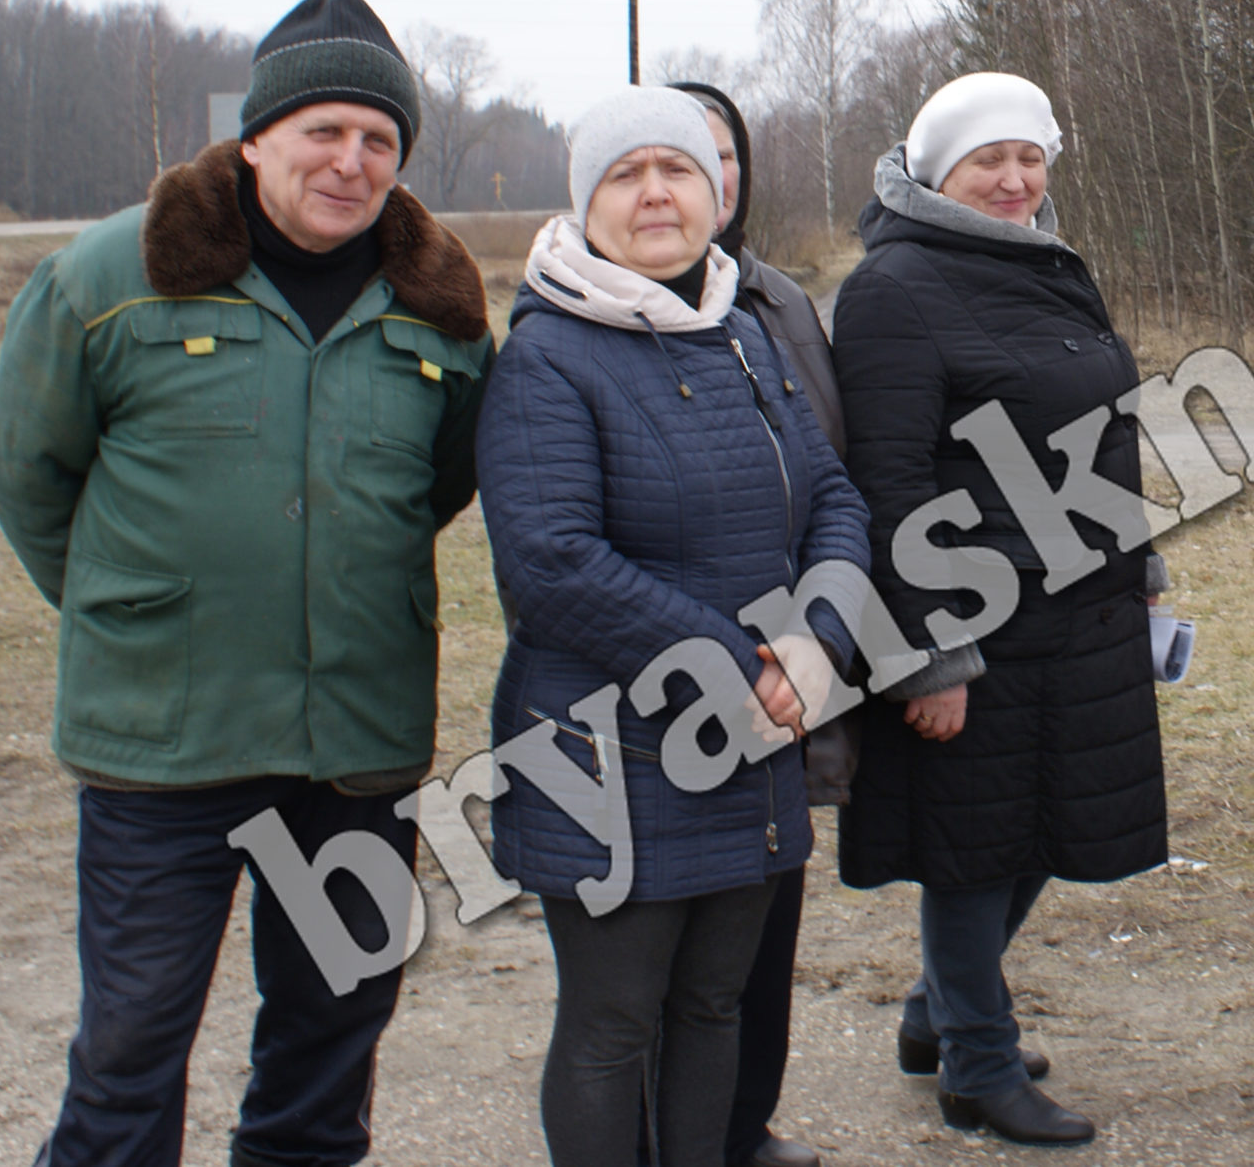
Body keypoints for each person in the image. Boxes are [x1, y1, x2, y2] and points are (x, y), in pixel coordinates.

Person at [0, 0, 491, 1167]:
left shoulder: (443, 309)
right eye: (323, 129)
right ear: (255, 136)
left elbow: (445, 482)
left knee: (330, 1040)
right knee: (131, 1045)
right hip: (165, 745)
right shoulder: (110, 276)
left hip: (355, 741)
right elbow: (27, 473)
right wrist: (132, 611)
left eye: (379, 140)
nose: (351, 162)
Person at [476, 86, 870, 1167]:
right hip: (612, 750)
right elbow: (552, 563)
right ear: (586, 202)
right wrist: (734, 664)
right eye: (625, 172)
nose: (656, 191)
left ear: (714, 192)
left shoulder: (743, 332)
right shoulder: (549, 356)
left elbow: (833, 499)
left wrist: (816, 637)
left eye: (679, 169)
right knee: (614, 1023)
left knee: (710, 1009)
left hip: (757, 737)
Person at [832, 72, 1169, 1148]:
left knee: (1039, 830)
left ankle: (938, 1014)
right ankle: (977, 1065)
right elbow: (884, 480)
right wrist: (927, 652)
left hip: (1082, 611)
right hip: (976, 621)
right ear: (938, 171)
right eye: (989, 160)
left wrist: (1141, 555)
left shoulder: (1051, 266)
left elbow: (1101, 424)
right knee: (971, 847)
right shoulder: (896, 284)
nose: (1015, 179)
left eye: (1030, 157)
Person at [672, 79, 842, 1167]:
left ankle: (744, 1125)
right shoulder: (577, 312)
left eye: (723, 154)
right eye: (682, 154)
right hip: (660, 691)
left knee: (769, 927)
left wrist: (818, 632)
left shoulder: (779, 302)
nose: (708, 177)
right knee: (657, 963)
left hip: (794, 682)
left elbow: (840, 473)